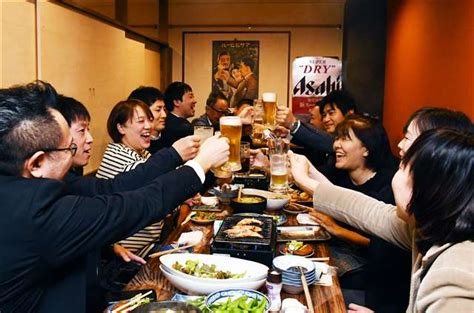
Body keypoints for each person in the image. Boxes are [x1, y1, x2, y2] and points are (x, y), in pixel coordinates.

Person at [0, 81, 230, 312]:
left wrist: (107, 245)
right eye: (69, 148)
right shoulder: (34, 212)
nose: (80, 146)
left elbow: (109, 190)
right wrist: (201, 164)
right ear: (37, 162)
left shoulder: (23, 186)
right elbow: (129, 207)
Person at [290, 108, 473, 312]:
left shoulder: (455, 274)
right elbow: (370, 211)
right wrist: (308, 178)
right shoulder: (428, 226)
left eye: (405, 165)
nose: (400, 147)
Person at [277, 89, 357, 167]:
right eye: (324, 115)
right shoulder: (326, 140)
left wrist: (293, 124)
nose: (326, 119)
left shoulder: (357, 137)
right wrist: (287, 134)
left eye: (331, 113)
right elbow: (312, 146)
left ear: (349, 114)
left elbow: (330, 142)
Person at [54, 95, 94, 177]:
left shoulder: (77, 169)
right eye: (82, 130)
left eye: (88, 130)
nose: (90, 139)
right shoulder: (60, 181)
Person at [128, 86, 167, 154]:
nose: (164, 115)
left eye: (164, 109)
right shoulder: (135, 146)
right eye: (158, 110)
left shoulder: (169, 136)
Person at [160, 81, 196, 147]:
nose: (194, 101)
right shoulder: (183, 128)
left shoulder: (167, 121)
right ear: (177, 102)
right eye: (190, 97)